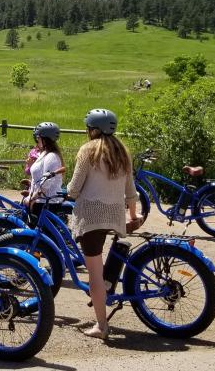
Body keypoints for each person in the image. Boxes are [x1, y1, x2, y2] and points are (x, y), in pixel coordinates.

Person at [66, 109, 142, 341]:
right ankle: (107, 290)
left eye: (88, 128)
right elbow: (130, 190)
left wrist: (68, 192)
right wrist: (133, 215)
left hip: (91, 217)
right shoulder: (122, 152)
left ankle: (101, 326)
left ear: (94, 129)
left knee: (94, 274)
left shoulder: (88, 150)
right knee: (98, 266)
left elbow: (74, 188)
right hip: (114, 214)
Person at [23, 122, 64, 217]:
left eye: (38, 138)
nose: (36, 141)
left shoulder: (51, 156)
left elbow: (46, 183)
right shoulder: (44, 154)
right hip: (41, 202)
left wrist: (32, 199)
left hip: (46, 204)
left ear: (44, 139)